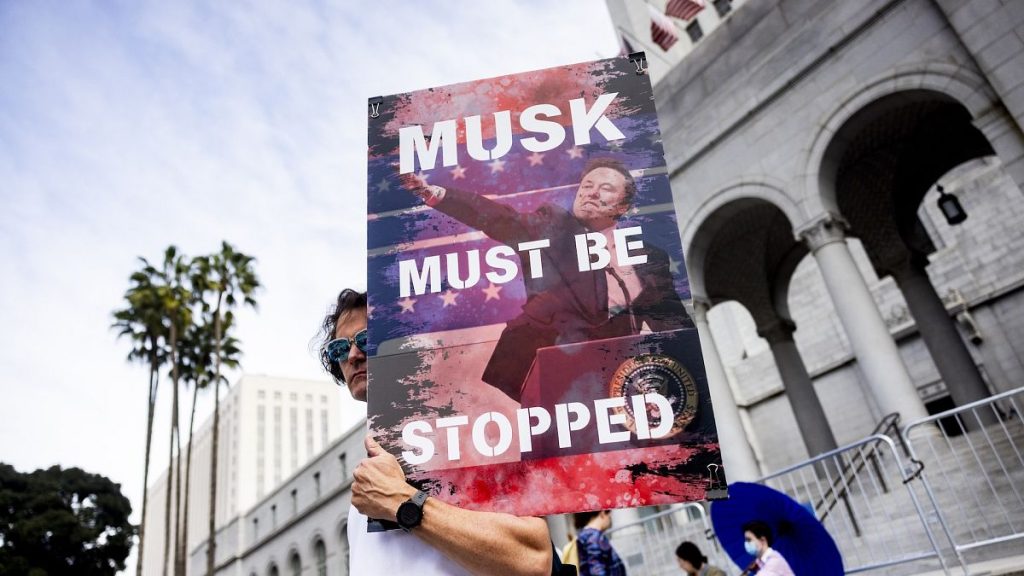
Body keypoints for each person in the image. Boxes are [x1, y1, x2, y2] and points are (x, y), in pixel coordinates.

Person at [401, 158, 693, 401]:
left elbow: (672, 323)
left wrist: (684, 372)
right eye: (586, 186)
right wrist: (435, 193)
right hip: (551, 368)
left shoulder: (648, 256)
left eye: (604, 188)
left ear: (623, 207)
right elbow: (499, 217)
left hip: (616, 379)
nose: (590, 193)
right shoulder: (552, 226)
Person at [317, 288, 564, 576]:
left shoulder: (463, 433)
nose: (353, 355)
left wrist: (402, 503)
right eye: (339, 349)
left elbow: (533, 559)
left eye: (366, 339)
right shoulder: (369, 481)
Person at [573, 510, 626, 576]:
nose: (610, 520)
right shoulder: (595, 537)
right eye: (609, 517)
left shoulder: (584, 536)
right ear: (602, 514)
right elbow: (597, 569)